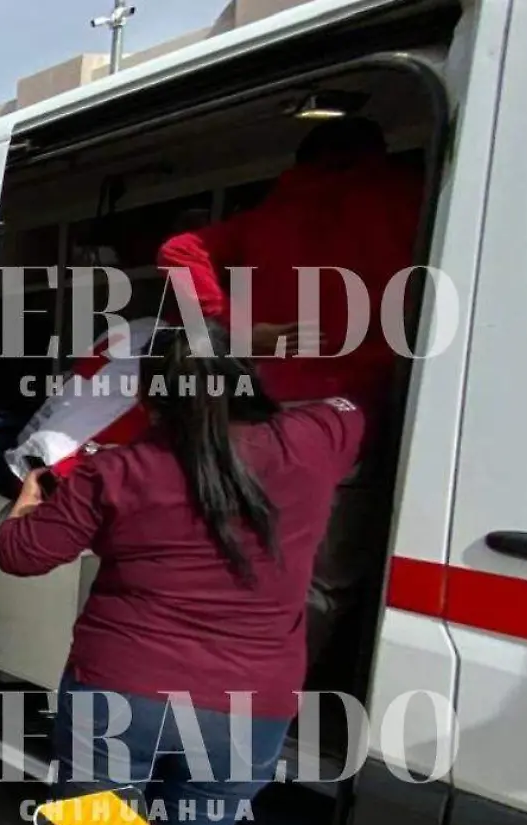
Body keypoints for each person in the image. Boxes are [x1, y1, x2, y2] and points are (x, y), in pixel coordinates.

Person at [0, 328, 366, 825]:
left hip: (118, 696)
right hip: (245, 709)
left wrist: (27, 502)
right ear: (246, 377)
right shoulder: (313, 442)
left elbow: (19, 555)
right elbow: (354, 405)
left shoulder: (119, 470)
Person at [156, 116, 421, 669]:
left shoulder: (267, 219)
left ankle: (217, 679)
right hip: (358, 411)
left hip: (267, 409)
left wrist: (232, 329)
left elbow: (178, 250)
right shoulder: (412, 198)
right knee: (323, 572)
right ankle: (266, 694)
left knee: (245, 549)